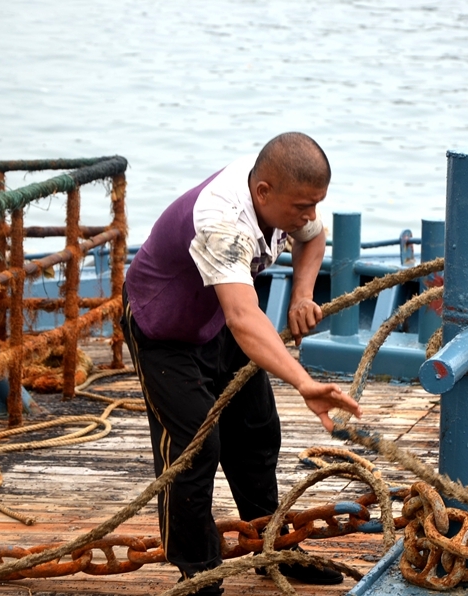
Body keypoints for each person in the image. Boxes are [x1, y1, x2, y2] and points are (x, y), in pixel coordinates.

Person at [120, 132, 362, 595]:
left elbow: (314, 239)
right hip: (162, 329)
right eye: (301, 207)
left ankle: (271, 547)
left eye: (316, 204)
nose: (308, 216)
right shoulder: (222, 219)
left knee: (257, 432)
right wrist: (304, 383)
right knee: (194, 446)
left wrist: (303, 295)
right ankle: (199, 571)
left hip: (211, 319)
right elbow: (244, 317)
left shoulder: (282, 195)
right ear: (263, 193)